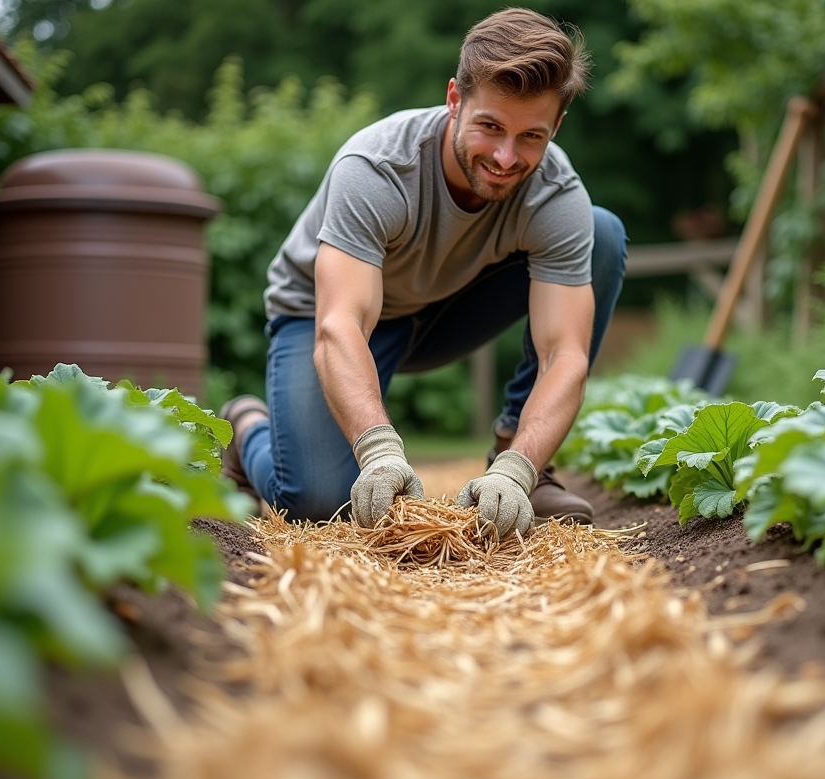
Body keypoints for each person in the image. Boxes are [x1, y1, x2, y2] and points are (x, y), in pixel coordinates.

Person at [219, 7, 626, 539]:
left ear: (558, 125)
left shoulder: (556, 193)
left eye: (532, 136)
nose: (506, 156)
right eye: (490, 127)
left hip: (446, 308)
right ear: (455, 99)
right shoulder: (376, 168)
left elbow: (564, 354)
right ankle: (247, 424)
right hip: (327, 314)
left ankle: (514, 456)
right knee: (317, 502)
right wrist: (379, 451)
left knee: (603, 233)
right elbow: (339, 325)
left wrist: (519, 467)